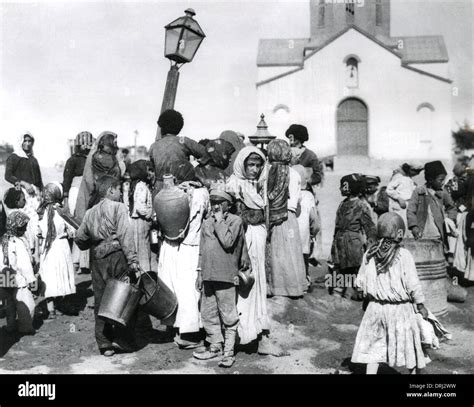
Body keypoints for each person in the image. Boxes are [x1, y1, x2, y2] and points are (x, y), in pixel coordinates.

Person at [351, 212, 429, 374]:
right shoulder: (404, 256)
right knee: (409, 348)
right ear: (400, 234)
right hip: (400, 310)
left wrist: (369, 299)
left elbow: (360, 283)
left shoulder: (370, 254)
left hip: (375, 309)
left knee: (373, 348)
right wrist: (420, 305)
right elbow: (412, 284)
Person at [226, 147, 284, 356]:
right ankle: (240, 335)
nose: (255, 169)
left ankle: (258, 334)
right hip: (244, 240)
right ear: (242, 164)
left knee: (257, 284)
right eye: (251, 165)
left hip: (257, 239)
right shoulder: (234, 185)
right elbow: (236, 219)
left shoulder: (259, 185)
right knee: (244, 285)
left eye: (258, 165)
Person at [75, 175, 140, 356]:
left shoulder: (90, 212)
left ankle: (104, 343)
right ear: (111, 190)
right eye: (119, 189)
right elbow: (125, 236)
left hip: (98, 260)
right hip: (118, 257)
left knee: (101, 300)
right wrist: (133, 260)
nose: (120, 193)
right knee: (124, 298)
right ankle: (123, 339)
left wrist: (92, 241)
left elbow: (80, 239)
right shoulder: (119, 208)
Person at [157, 160, 208, 349]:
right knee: (189, 290)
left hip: (170, 245)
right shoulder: (200, 193)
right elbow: (205, 215)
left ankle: (176, 327)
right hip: (191, 245)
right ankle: (189, 333)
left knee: (173, 286)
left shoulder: (167, 194)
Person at [193, 189, 244, 368]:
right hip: (209, 274)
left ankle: (228, 352)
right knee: (208, 313)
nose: (215, 205)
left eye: (220, 202)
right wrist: (199, 273)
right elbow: (201, 249)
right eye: (213, 201)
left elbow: (227, 242)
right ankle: (214, 346)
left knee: (228, 315)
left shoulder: (235, 221)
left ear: (228, 205)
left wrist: (220, 220)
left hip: (226, 276)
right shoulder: (206, 222)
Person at [265, 139, 306, 298]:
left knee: (274, 253)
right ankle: (293, 288)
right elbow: (298, 200)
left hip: (272, 215)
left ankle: (275, 287)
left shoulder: (267, 172)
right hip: (289, 217)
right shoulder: (294, 173)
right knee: (290, 252)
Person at [331, 174, 377, 300]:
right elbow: (337, 225)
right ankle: (337, 293)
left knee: (355, 269)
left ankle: (355, 293)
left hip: (353, 244)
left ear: (349, 188)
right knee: (339, 268)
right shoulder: (342, 204)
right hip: (340, 242)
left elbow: (370, 228)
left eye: (343, 186)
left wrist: (371, 246)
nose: (340, 188)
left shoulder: (362, 206)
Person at [37, 183, 76, 318]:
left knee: (49, 277)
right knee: (62, 274)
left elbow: (36, 232)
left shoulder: (39, 213)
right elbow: (74, 228)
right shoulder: (61, 211)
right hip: (61, 247)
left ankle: (51, 308)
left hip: (46, 249)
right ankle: (62, 303)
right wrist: (69, 233)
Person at [149, 109, 209, 195]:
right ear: (179, 127)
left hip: (159, 191)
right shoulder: (183, 141)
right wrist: (195, 164)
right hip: (181, 189)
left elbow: (152, 170)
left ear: (162, 127)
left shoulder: (154, 146)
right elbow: (207, 154)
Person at [0, 211, 36, 335]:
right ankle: (25, 327)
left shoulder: (3, 240)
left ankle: (11, 325)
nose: (25, 229)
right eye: (23, 227)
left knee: (9, 302)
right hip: (19, 278)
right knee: (25, 302)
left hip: (5, 276)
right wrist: (31, 280)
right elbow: (24, 264)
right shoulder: (18, 242)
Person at [407, 161, 457, 250]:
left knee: (438, 252)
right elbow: (411, 210)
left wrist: (450, 219)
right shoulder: (418, 192)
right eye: (441, 180)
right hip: (422, 231)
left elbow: (452, 207)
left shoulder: (443, 193)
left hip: (438, 232)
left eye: (444, 180)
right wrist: (414, 226)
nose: (443, 182)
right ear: (430, 180)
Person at [63, 131, 94, 273]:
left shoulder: (93, 159)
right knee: (77, 225)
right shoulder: (73, 160)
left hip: (88, 192)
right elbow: (67, 181)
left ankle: (84, 262)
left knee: (87, 224)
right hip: (76, 193)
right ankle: (76, 261)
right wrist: (65, 199)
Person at [293, 165, 319, 292]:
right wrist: (313, 233)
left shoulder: (288, 194)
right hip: (304, 234)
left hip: (289, 233)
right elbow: (314, 219)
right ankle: (305, 283)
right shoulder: (308, 196)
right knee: (303, 260)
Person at [128, 160, 154, 272]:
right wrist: (150, 214)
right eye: (148, 170)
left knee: (138, 249)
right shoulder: (142, 186)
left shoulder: (134, 185)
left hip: (135, 221)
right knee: (143, 250)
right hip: (141, 221)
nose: (150, 173)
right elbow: (140, 207)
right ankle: (145, 274)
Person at [5, 133, 43, 206]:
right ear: (21, 142)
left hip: (36, 195)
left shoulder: (33, 159)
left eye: (30, 141)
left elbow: (39, 180)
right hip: (21, 194)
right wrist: (24, 183)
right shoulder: (14, 157)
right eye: (25, 141)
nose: (27, 143)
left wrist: (42, 191)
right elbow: (8, 175)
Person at [386, 162, 423, 229]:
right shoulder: (398, 177)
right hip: (400, 205)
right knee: (400, 225)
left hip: (408, 205)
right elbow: (389, 190)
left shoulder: (408, 179)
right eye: (416, 171)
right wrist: (399, 198)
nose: (417, 174)